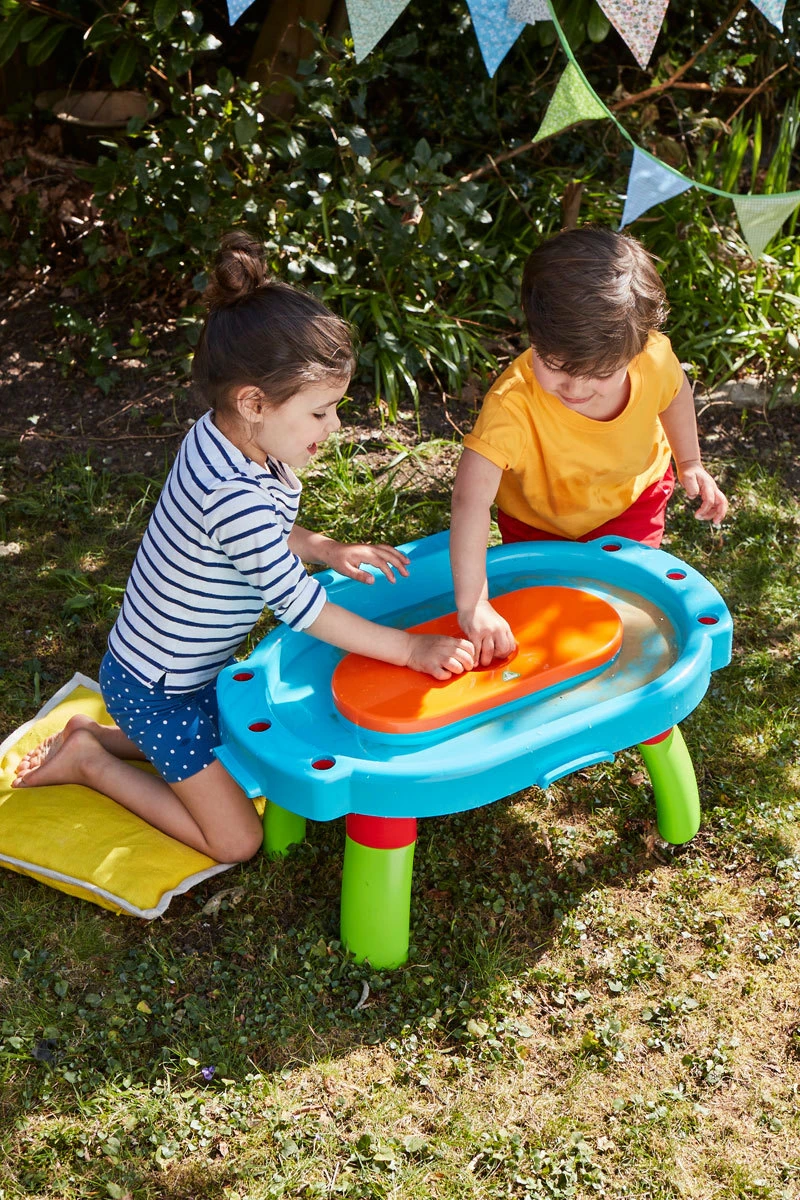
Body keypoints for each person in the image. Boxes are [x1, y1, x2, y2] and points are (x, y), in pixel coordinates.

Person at [13, 231, 474, 861]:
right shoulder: (233, 491)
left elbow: (249, 539)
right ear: (254, 402)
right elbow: (303, 610)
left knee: (243, 741)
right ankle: (91, 759)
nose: (334, 427)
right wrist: (410, 647)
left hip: (189, 673)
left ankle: (92, 734)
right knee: (236, 838)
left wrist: (323, 547)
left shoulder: (225, 437)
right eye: (320, 413)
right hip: (158, 689)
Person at [450, 224, 728, 667]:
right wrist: (474, 603)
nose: (575, 387)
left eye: (600, 372)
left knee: (621, 601)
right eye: (556, 364)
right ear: (533, 335)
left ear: (634, 351)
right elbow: (469, 502)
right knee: (543, 612)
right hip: (537, 519)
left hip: (631, 501)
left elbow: (675, 393)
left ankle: (622, 682)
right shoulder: (512, 405)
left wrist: (690, 461)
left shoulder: (652, 357)